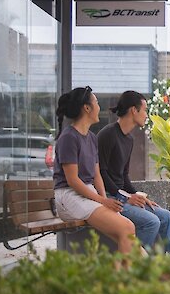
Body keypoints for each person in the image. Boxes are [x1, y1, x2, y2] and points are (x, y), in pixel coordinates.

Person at [97, 91, 170, 254]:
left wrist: (140, 197)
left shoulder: (129, 139)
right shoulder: (107, 135)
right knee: (151, 221)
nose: (146, 115)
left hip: (121, 196)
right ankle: (138, 266)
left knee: (165, 216)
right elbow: (101, 174)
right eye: (144, 110)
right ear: (133, 110)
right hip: (109, 198)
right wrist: (127, 197)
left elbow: (123, 176)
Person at [53, 86, 137, 254]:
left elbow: (96, 174)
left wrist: (105, 200)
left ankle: (139, 274)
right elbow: (73, 181)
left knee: (129, 238)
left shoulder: (91, 137)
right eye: (96, 102)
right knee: (127, 227)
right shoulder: (69, 137)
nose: (99, 107)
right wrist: (102, 201)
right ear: (87, 108)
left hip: (88, 194)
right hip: (69, 196)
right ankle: (124, 279)